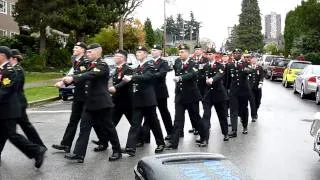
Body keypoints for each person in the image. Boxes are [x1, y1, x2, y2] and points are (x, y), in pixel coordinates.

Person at [63, 43, 121, 162]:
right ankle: (79, 154)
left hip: (101, 103)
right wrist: (67, 82)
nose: (87, 54)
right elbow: (82, 74)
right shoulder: (90, 64)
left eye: (90, 52)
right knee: (84, 128)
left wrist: (73, 78)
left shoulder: (102, 65)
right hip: (89, 103)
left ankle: (117, 151)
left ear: (97, 52)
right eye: (87, 52)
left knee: (109, 127)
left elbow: (90, 74)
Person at [52, 42, 108, 153]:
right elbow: (75, 77)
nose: (74, 49)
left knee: (91, 121)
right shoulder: (76, 61)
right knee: (73, 120)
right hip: (78, 96)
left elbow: (86, 77)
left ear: (83, 50)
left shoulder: (86, 62)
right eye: (74, 47)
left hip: (86, 96)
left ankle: (103, 141)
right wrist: (65, 83)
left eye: (76, 47)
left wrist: (69, 81)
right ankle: (66, 144)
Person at [0, 46, 46, 168]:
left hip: (9, 108)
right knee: (3, 132)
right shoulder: (2, 70)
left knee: (12, 135)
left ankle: (37, 150)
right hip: (4, 108)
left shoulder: (9, 71)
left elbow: (5, 90)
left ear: (3, 56)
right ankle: (37, 149)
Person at [122, 46, 165, 157]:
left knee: (153, 122)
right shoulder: (137, 67)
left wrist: (132, 77)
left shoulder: (150, 65)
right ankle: (130, 147)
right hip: (138, 100)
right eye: (137, 52)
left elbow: (147, 77)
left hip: (148, 100)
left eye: (140, 52)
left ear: (146, 54)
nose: (137, 54)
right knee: (135, 124)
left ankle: (160, 143)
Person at [165, 44, 202, 150]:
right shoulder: (177, 62)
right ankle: (173, 143)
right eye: (179, 52)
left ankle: (204, 136)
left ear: (187, 53)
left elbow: (191, 74)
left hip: (191, 95)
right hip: (180, 95)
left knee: (195, 118)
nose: (180, 54)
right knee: (178, 120)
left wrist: (180, 78)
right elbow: (170, 69)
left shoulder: (194, 63)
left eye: (182, 52)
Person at [197, 48, 229, 147]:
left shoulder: (220, 65)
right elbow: (201, 79)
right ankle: (204, 138)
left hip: (219, 94)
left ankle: (225, 133)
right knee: (206, 116)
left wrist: (212, 79)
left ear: (214, 55)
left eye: (210, 54)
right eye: (207, 54)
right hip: (208, 95)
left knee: (222, 115)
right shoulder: (205, 66)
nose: (209, 56)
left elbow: (220, 74)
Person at [226, 49, 252, 137]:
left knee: (243, 110)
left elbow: (250, 70)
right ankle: (234, 130)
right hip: (233, 92)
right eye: (234, 53)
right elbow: (227, 79)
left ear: (241, 55)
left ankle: (245, 126)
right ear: (232, 55)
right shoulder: (230, 65)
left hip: (243, 91)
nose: (236, 54)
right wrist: (227, 90)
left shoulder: (245, 63)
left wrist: (246, 70)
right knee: (233, 110)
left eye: (238, 53)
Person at [150, 45, 173, 140]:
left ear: (160, 52)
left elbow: (162, 73)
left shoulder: (163, 62)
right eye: (152, 50)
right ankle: (146, 136)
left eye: (155, 50)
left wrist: (150, 75)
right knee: (150, 114)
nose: (152, 52)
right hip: (150, 92)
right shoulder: (149, 62)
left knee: (164, 112)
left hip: (160, 92)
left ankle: (170, 132)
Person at [191, 45, 208, 135]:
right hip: (193, 87)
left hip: (203, 87)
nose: (197, 51)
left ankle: (205, 125)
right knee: (194, 109)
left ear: (202, 51)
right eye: (196, 49)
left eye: (198, 49)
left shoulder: (205, 60)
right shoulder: (192, 60)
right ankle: (195, 126)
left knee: (205, 108)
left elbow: (206, 72)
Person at [248, 57, 264, 122]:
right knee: (252, 102)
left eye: (255, 60)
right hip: (250, 88)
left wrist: (261, 83)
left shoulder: (260, 68)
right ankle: (253, 116)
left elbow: (262, 76)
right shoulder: (248, 67)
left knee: (258, 102)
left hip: (258, 87)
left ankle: (255, 111)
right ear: (251, 60)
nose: (254, 61)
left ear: (257, 61)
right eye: (253, 59)